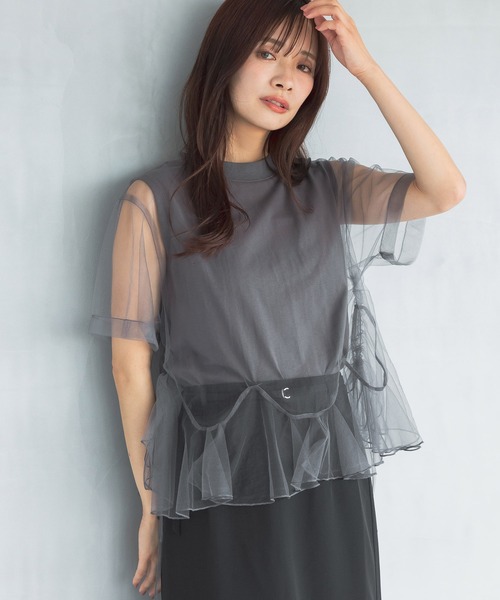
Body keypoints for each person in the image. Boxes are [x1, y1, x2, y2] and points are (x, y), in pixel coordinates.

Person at [89, 1, 466, 598]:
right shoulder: (157, 197)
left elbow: (445, 189)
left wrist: (364, 68)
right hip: (218, 474)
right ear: (224, 58)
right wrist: (152, 507)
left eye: (305, 66)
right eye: (267, 54)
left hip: (325, 470)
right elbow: (129, 366)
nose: (287, 79)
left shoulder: (327, 187)